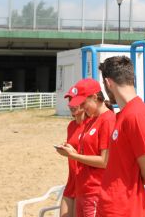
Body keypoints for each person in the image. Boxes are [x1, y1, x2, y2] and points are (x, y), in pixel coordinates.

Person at [97, 56, 145, 217]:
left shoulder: (136, 115)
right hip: (115, 206)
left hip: (125, 209)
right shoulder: (125, 114)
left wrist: (125, 185)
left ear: (108, 83)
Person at [58, 78, 116, 217]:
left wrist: (73, 155)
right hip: (83, 188)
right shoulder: (93, 120)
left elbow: (105, 161)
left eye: (83, 103)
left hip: (96, 190)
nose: (82, 108)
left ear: (95, 97)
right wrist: (72, 151)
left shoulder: (107, 120)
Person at [55, 84, 91, 217]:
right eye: (69, 101)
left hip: (85, 181)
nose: (71, 104)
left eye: (74, 101)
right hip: (72, 180)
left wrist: (74, 153)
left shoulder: (92, 124)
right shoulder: (71, 126)